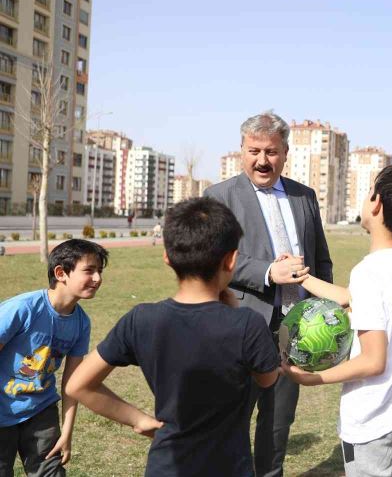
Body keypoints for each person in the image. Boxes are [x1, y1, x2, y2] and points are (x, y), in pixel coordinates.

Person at [65, 197, 280, 477]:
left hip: (166, 466)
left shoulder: (141, 319)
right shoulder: (248, 324)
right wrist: (234, 310)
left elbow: (77, 385)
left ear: (166, 256)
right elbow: (267, 378)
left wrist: (139, 420)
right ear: (231, 260)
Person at [284, 164, 392, 477]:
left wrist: (313, 378)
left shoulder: (371, 271)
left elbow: (373, 360)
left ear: (376, 203)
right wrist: (303, 277)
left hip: (374, 411)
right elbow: (354, 298)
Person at [205, 111, 333, 477]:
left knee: (278, 422)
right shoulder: (219, 196)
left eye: (271, 152)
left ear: (286, 152)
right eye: (254, 151)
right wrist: (267, 271)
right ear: (241, 151)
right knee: (233, 416)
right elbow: (212, 258)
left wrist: (321, 314)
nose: (263, 160)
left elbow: (321, 258)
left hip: (295, 328)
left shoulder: (304, 196)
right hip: (240, 325)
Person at [0, 239, 109, 477]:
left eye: (99, 271)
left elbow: (73, 383)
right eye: (89, 270)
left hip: (41, 410)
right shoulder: (22, 309)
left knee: (50, 472)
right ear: (61, 273)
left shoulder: (81, 323)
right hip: (2, 409)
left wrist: (67, 431)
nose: (97, 278)